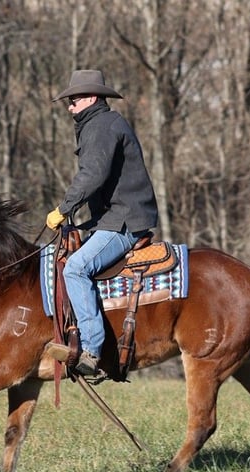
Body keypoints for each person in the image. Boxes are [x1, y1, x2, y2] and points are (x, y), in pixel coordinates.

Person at [46, 69, 158, 376]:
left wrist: (63, 209)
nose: (70, 107)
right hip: (113, 217)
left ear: (91, 97)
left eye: (74, 100)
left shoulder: (102, 126)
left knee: (76, 268)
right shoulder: (101, 124)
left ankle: (91, 351)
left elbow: (92, 176)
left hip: (124, 221)